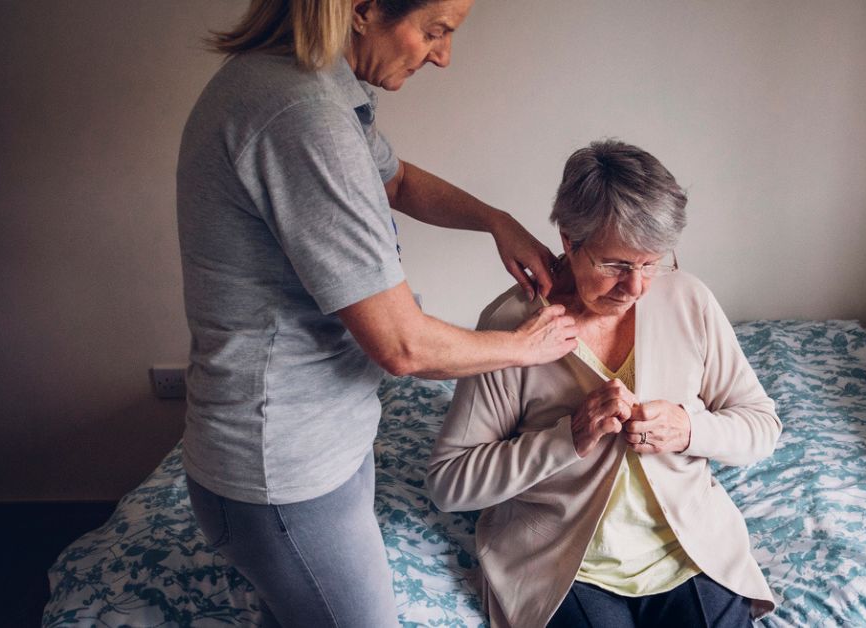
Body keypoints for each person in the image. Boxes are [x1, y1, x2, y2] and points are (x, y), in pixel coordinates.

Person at [176, 1, 578, 626]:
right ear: (363, 11)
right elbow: (403, 347)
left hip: (312, 443)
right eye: (434, 32)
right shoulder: (301, 115)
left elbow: (393, 181)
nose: (442, 56)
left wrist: (495, 222)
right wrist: (526, 346)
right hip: (282, 468)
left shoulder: (314, 86)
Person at [426, 140, 782, 628]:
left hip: (688, 551)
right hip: (563, 564)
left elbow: (761, 425)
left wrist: (690, 429)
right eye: (615, 264)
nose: (635, 287)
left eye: (652, 263)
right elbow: (449, 482)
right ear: (570, 240)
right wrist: (566, 439)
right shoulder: (512, 326)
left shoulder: (690, 302)